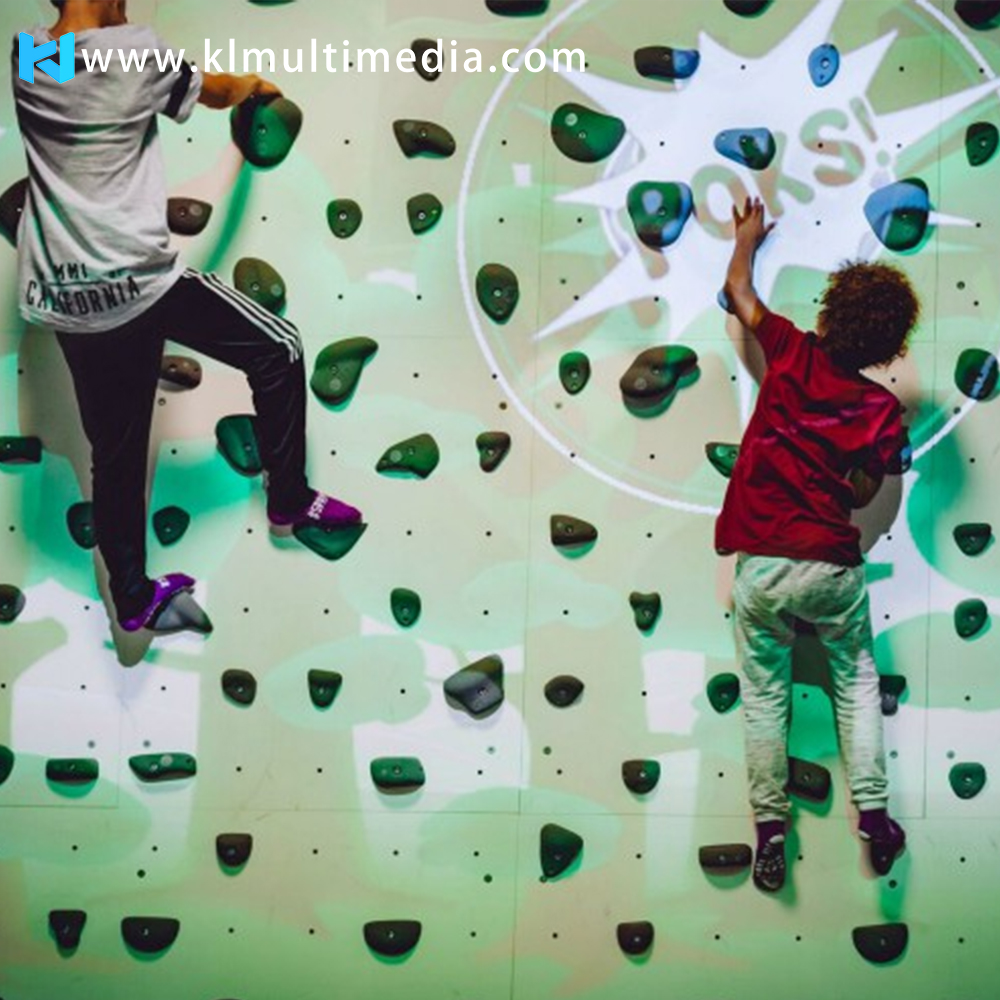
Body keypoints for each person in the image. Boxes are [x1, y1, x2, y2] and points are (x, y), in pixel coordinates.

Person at [12, 0, 362, 635]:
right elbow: (219, 91)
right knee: (278, 349)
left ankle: (134, 596)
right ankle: (288, 499)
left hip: (66, 300)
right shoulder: (138, 54)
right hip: (137, 285)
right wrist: (254, 86)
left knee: (114, 457)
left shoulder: (30, 58)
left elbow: (82, 58)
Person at [718, 196, 917, 892]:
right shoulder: (881, 411)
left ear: (832, 313)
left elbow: (739, 295)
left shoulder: (791, 350)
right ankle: (873, 818)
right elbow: (865, 494)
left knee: (766, 696)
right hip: (830, 564)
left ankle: (771, 834)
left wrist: (747, 238)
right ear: (889, 346)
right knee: (856, 686)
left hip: (764, 563)